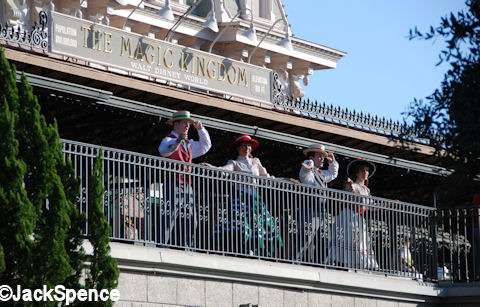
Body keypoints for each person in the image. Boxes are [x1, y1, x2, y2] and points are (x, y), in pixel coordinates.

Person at [202, 134, 292, 256]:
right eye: (244, 146)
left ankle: (255, 251)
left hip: (255, 199)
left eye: (249, 146)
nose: (247, 148)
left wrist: (285, 179)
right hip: (240, 198)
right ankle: (242, 251)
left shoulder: (256, 161)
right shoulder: (234, 163)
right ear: (238, 148)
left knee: (260, 224)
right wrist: (211, 167)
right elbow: (224, 171)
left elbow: (267, 178)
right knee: (242, 225)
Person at [157, 110, 212, 248]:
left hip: (187, 185)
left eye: (188, 123)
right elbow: (164, 151)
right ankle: (161, 245)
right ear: (176, 124)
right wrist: (177, 141)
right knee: (170, 216)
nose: (187, 126)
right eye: (184, 123)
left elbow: (206, 146)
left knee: (192, 219)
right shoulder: (169, 139)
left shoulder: (188, 144)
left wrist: (201, 129)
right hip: (173, 182)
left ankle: (189, 248)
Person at [329, 158, 379, 270]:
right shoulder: (353, 184)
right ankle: (346, 266)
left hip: (358, 218)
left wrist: (387, 206)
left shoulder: (366, 189)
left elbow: (371, 205)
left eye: (367, 170)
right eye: (362, 170)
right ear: (357, 172)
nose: (365, 172)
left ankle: (358, 265)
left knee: (361, 241)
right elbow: (350, 191)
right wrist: (351, 186)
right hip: (349, 216)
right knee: (351, 241)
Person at [295, 144, 339, 262]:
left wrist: (332, 161)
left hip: (320, 214)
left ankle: (322, 265)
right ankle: (294, 263)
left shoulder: (321, 173)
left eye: (323, 157)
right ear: (312, 158)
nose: (322, 159)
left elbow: (333, 174)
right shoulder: (308, 172)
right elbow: (305, 175)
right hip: (309, 212)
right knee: (305, 240)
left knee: (326, 241)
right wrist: (308, 164)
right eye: (319, 156)